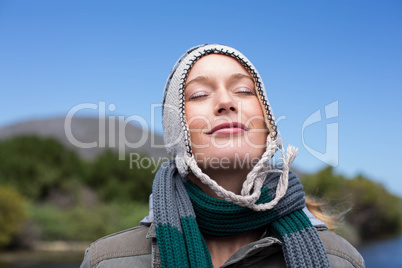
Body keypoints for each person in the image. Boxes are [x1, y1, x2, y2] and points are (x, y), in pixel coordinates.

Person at [80, 44, 365, 268]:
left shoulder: (340, 261)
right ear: (176, 129)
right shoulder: (107, 262)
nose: (226, 102)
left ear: (268, 126)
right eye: (199, 95)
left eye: (243, 90)